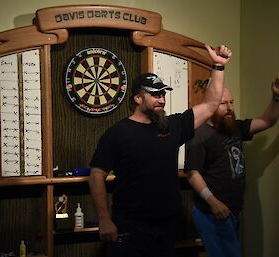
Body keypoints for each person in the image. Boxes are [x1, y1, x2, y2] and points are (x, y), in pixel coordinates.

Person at [88, 44, 232, 257]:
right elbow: (96, 175)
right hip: (129, 225)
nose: (162, 99)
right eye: (155, 94)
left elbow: (211, 105)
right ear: (138, 98)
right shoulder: (117, 133)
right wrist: (103, 218)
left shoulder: (172, 126)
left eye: (163, 94)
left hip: (165, 226)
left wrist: (218, 67)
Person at [184, 78, 279, 257]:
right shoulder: (199, 134)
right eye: (223, 103)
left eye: (231, 102)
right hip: (212, 212)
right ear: (210, 104)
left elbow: (268, 121)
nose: (229, 107)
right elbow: (192, 173)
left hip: (233, 209)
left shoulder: (233, 126)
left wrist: (276, 97)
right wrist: (213, 202)